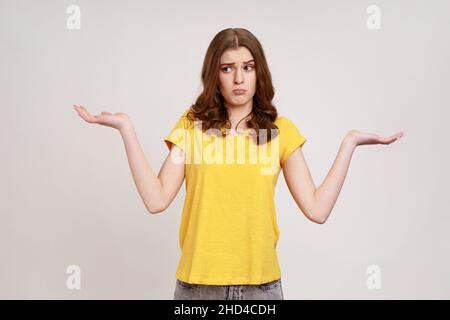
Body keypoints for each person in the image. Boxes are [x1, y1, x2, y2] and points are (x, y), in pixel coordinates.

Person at [72, 28, 404, 300]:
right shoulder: (193, 127)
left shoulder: (277, 132)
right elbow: (156, 199)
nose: (239, 78)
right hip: (198, 290)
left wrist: (349, 144)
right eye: (227, 68)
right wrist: (126, 129)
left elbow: (317, 209)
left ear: (260, 71)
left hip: (261, 290)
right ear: (214, 75)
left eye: (248, 66)